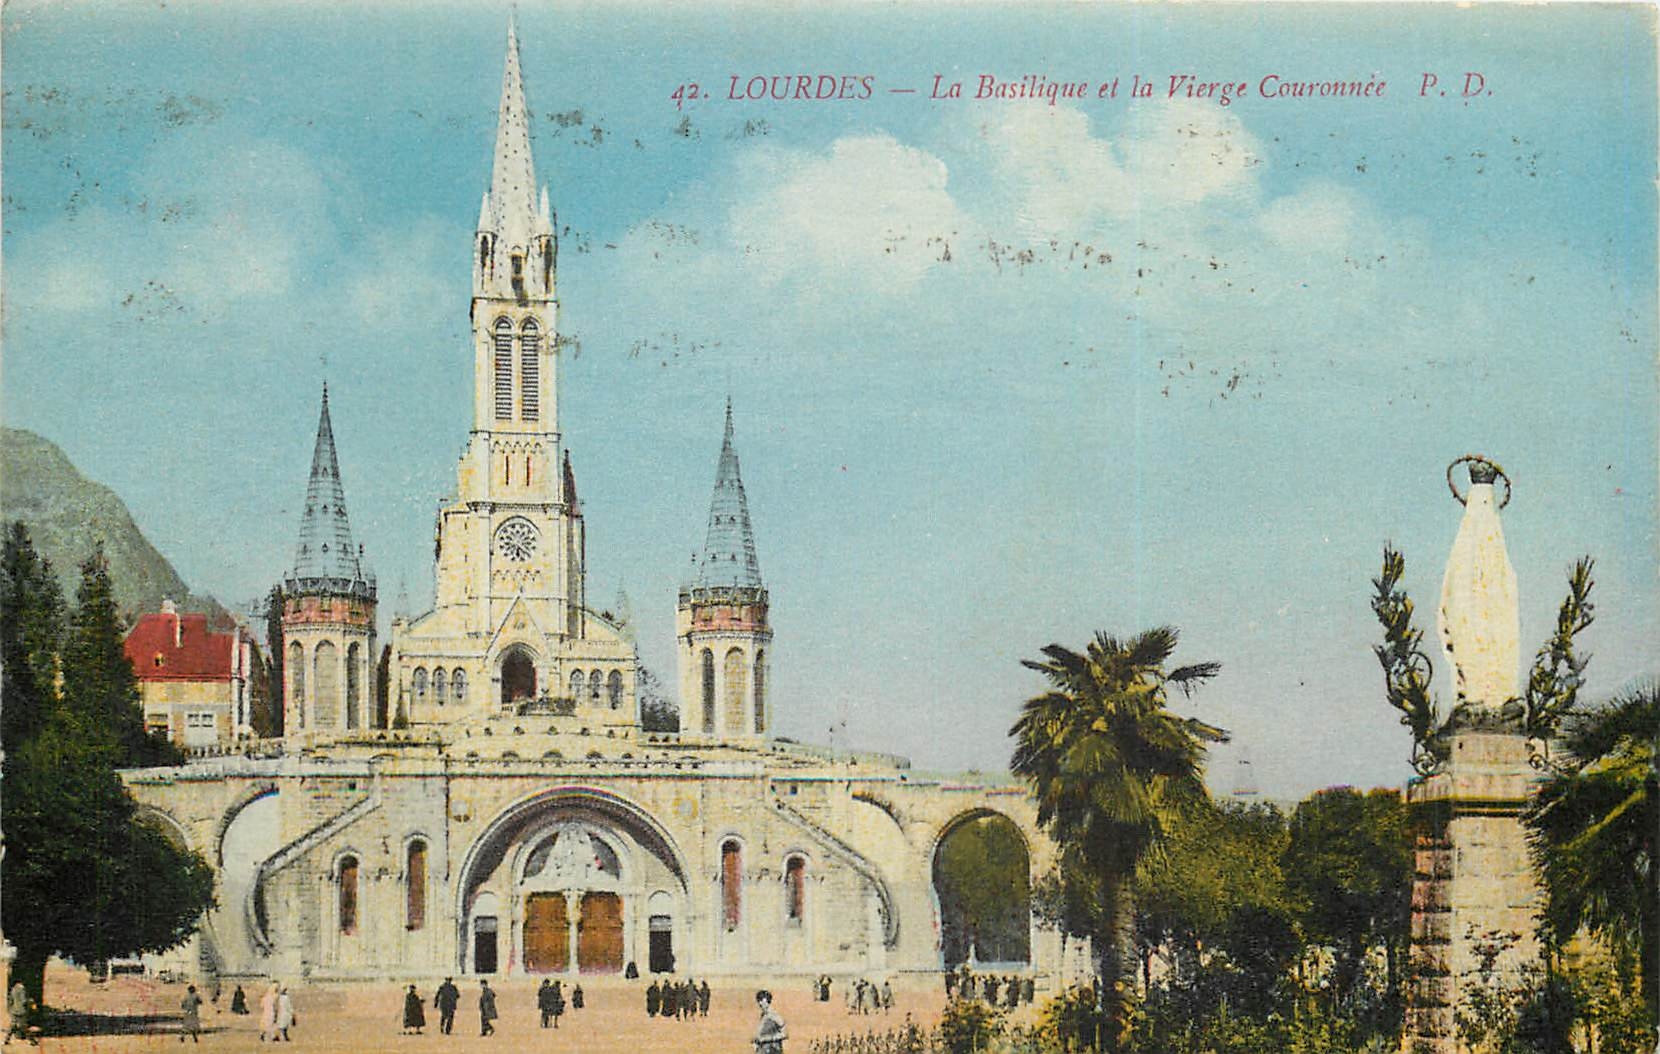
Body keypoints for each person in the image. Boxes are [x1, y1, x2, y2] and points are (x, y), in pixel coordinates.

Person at [753, 990, 787, 1054]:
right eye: (759, 1000)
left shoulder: (773, 1015)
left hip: (773, 1050)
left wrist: (767, 1038)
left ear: (768, 1001)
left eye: (762, 1000)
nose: (760, 1003)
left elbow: (785, 1033)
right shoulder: (764, 1016)